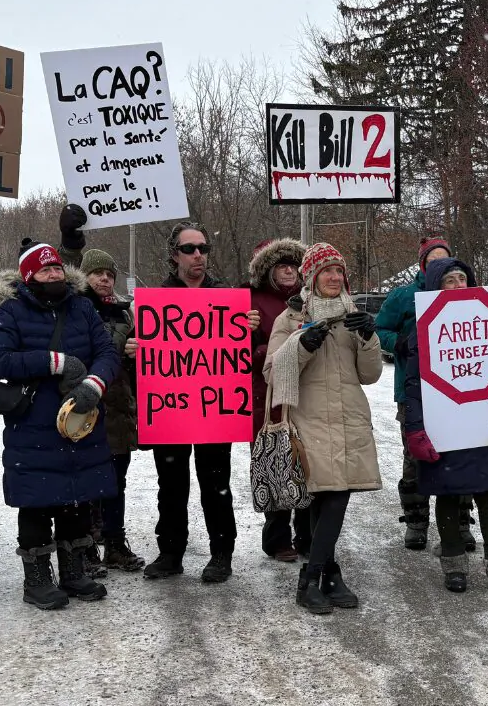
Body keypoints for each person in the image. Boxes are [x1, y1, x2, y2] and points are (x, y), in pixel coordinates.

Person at [0, 240, 120, 609]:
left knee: (77, 496)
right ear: (28, 276)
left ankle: (74, 572)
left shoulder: (83, 308)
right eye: (45, 270)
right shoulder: (11, 311)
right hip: (34, 423)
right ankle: (37, 580)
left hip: (81, 418)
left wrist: (94, 383)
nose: (54, 274)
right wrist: (55, 362)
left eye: (56, 267)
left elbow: (106, 352)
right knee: (38, 501)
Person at [266, 243, 383, 614]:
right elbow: (272, 371)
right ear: (311, 276)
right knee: (328, 495)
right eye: (326, 271)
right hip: (309, 419)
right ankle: (315, 577)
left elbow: (371, 374)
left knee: (333, 494)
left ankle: (326, 573)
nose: (334, 278)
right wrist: (302, 346)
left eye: (339, 272)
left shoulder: (353, 316)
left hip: (349, 418)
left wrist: (368, 338)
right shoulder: (290, 319)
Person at [401, 257, 488, 597]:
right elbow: (412, 386)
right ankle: (454, 563)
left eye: (462, 279)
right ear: (435, 288)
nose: (457, 286)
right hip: (445, 426)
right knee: (447, 493)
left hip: (480, 424)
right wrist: (414, 429)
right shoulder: (422, 328)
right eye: (449, 281)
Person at [129, 219, 239, 583]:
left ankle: (222, 553)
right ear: (174, 255)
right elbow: (141, 354)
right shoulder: (154, 304)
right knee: (171, 484)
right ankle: (171, 552)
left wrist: (246, 328)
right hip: (171, 410)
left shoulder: (227, 302)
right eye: (189, 249)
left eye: (203, 249)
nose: (197, 256)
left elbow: (243, 353)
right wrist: (133, 348)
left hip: (213, 409)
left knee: (216, 483)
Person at [56, 209, 147, 574]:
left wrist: (136, 354)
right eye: (97, 273)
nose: (105, 280)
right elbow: (87, 350)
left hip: (119, 409)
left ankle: (114, 541)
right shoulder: (73, 309)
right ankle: (86, 545)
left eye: (110, 274)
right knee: (87, 480)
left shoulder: (126, 314)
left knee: (116, 481)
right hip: (85, 407)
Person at [376, 237, 474, 550]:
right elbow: (380, 329)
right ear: (423, 264)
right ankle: (416, 520)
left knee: (461, 455)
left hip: (459, 389)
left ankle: (461, 519)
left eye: (445, 258)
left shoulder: (466, 295)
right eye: (433, 260)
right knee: (415, 457)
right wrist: (398, 344)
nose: (440, 264)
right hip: (414, 388)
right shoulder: (404, 296)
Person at [247, 238, 312, 562]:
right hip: (268, 396)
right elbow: (237, 354)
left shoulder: (311, 299)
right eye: (281, 265)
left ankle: (308, 534)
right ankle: (277, 538)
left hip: (308, 396)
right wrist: (268, 350)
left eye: (294, 264)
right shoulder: (250, 301)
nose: (289, 270)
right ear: (268, 270)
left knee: (308, 464)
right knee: (275, 464)